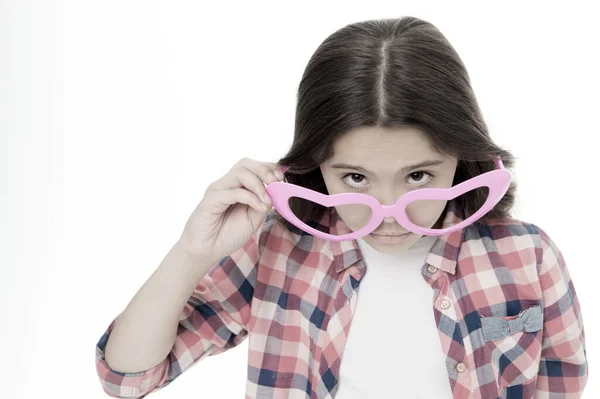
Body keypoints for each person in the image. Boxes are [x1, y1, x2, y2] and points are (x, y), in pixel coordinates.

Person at [95, 16, 588, 398]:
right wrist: (191, 252)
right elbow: (128, 378)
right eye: (355, 178)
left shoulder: (528, 257)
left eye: (419, 175)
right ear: (314, 167)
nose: (390, 210)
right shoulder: (277, 249)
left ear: (463, 157)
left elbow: (561, 382)